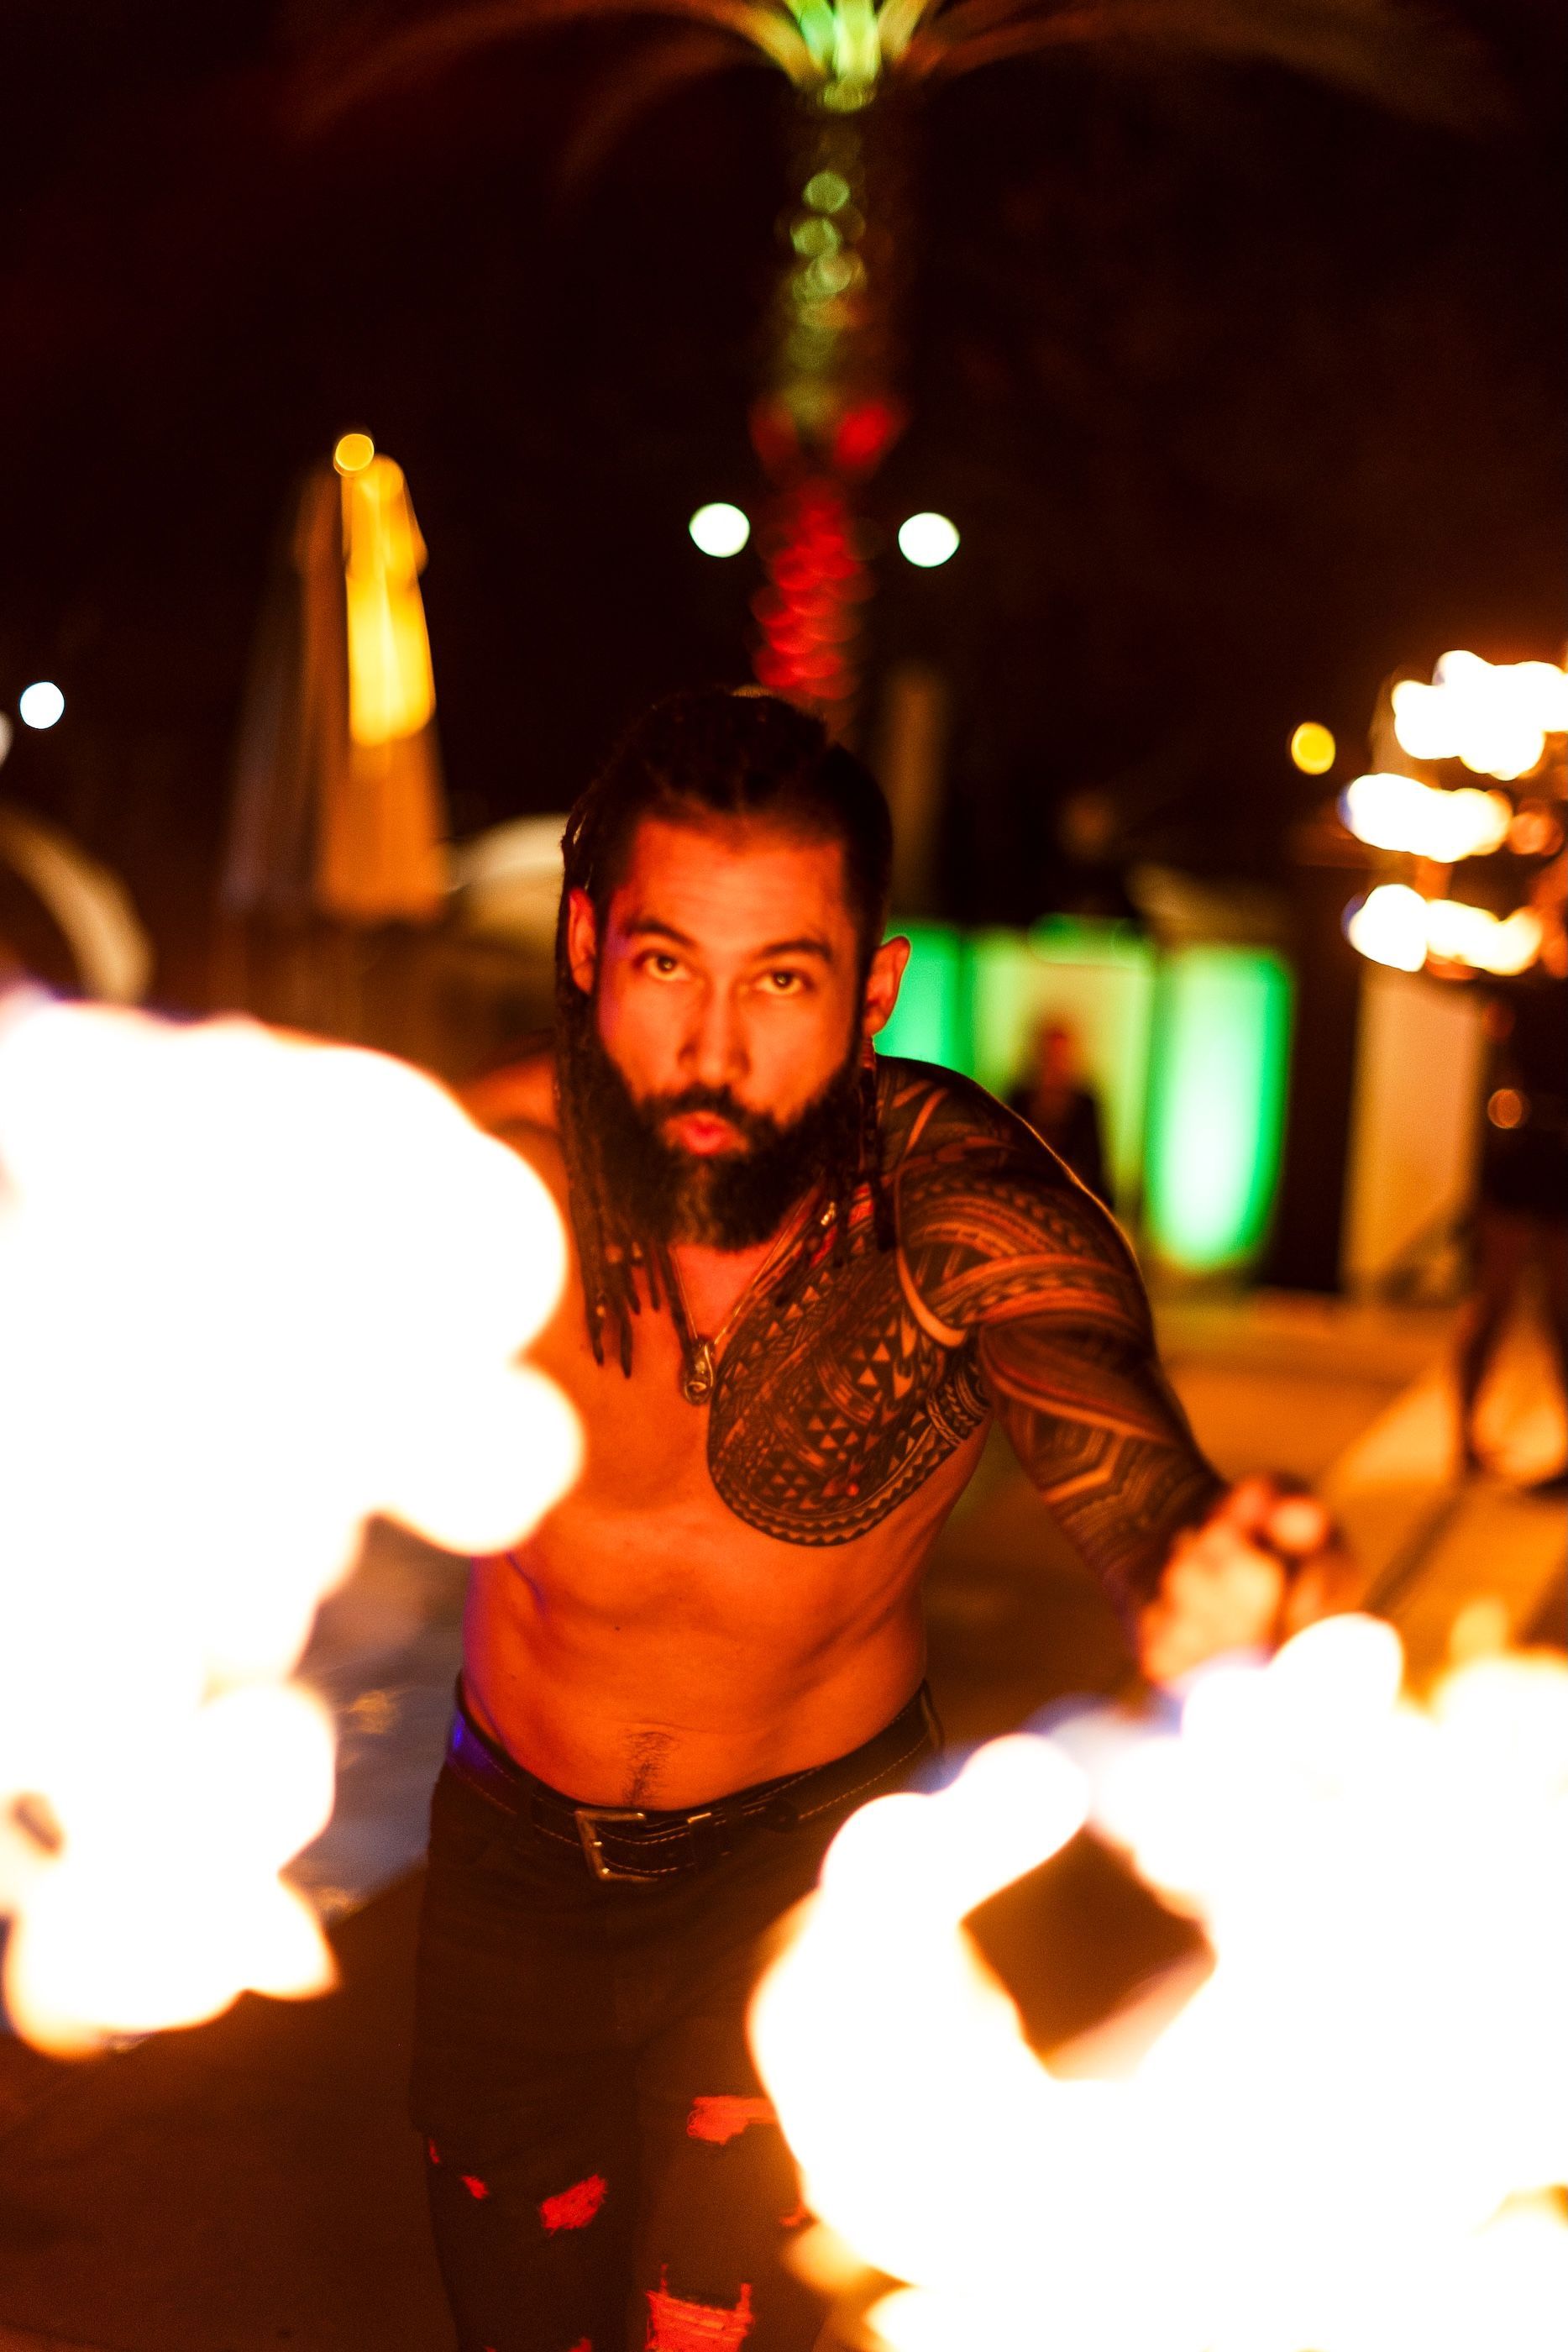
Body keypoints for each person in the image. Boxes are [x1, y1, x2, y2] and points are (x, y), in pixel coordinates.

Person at [412, 689, 1355, 2352]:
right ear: (583, 941)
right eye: (663, 963)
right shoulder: (469, 1185)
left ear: (874, 986)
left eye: (779, 976)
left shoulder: (960, 1222)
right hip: (510, 1873)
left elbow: (1148, 1501)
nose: (714, 1046)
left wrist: (1230, 1587)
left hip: (805, 1867)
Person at [1455, 863, 1568, 1488]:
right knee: (1493, 1298)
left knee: (1560, 1307)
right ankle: (1465, 1435)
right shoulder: (1520, 975)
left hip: (1557, 1152)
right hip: (1522, 1146)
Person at [1008, 1016, 1111, 1205]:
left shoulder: (1086, 1104)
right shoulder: (1018, 1098)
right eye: (1050, 1055)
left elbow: (1096, 1166)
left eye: (1061, 1056)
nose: (1055, 1064)